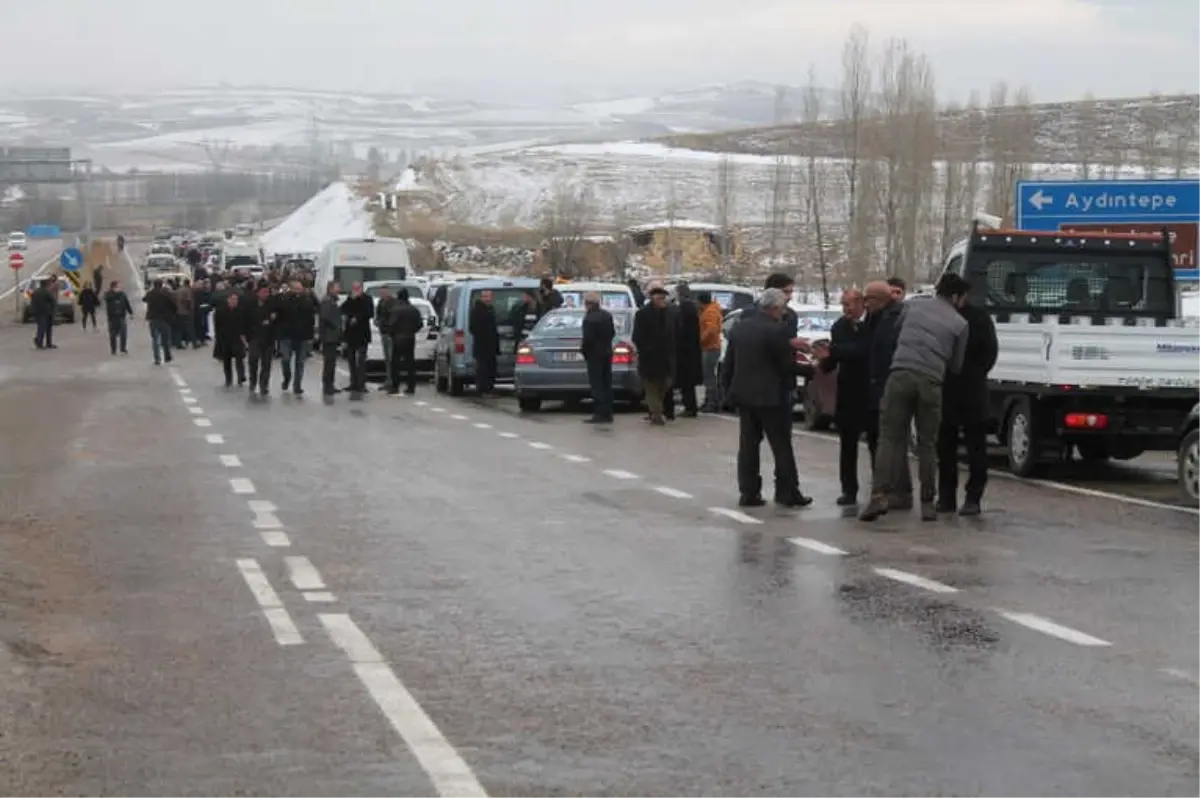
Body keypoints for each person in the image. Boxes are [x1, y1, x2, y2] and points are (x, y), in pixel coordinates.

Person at [861, 274, 971, 523]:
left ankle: (878, 495)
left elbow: (897, 332)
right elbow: (956, 366)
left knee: (888, 437)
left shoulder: (912, 305)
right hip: (931, 381)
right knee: (927, 444)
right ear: (956, 296)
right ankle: (927, 503)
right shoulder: (960, 324)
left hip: (899, 374)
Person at [721, 288, 809, 508]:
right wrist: (813, 370)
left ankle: (749, 492)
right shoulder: (776, 330)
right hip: (772, 397)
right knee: (781, 446)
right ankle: (787, 492)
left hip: (745, 396)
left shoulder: (740, 328)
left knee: (748, 446)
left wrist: (727, 392)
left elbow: (729, 364)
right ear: (776, 308)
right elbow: (786, 365)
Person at [936, 278, 998, 516]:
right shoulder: (943, 317)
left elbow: (989, 353)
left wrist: (973, 373)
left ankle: (973, 497)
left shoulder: (978, 318)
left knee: (975, 448)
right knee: (945, 448)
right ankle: (947, 497)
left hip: (970, 389)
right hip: (948, 388)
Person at [817, 288, 872, 506]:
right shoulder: (839, 326)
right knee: (847, 444)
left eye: (849, 304)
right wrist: (823, 360)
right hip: (848, 390)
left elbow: (863, 350)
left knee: (876, 441)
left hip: (870, 388)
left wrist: (836, 353)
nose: (846, 309)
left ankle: (880, 489)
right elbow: (834, 358)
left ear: (861, 304)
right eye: (843, 305)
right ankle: (848, 489)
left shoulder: (872, 324)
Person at [862, 280, 911, 508]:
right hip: (874, 385)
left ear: (879, 299)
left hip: (889, 384)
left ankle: (898, 491)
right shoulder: (875, 317)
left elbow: (890, 351)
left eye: (868, 299)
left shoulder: (896, 318)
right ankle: (885, 489)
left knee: (892, 440)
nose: (865, 304)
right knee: (880, 440)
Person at [631, 284, 675, 425]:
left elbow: (675, 333)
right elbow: (636, 336)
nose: (662, 301)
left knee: (665, 385)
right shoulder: (643, 314)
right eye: (659, 298)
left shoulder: (669, 313)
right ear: (652, 299)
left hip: (666, 358)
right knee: (651, 387)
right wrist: (646, 349)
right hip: (649, 358)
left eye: (663, 298)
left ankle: (656, 410)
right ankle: (656, 414)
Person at [580, 292, 615, 424]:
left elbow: (587, 339)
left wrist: (584, 351)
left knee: (597, 384)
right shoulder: (607, 315)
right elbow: (612, 333)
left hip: (594, 354)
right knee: (607, 382)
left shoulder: (589, 318)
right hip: (606, 352)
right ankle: (608, 412)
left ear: (588, 304)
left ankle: (600, 412)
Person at [278, 279, 317, 396]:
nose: (299, 291)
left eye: (301, 289)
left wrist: (311, 335)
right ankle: (287, 377)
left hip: (302, 336)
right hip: (287, 335)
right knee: (285, 359)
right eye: (297, 289)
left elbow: (311, 318)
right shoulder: (285, 299)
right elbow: (280, 314)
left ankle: (297, 386)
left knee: (300, 363)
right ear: (291, 289)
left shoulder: (307, 300)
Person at [671, 282, 703, 418]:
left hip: (685, 351)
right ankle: (690, 406)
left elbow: (681, 330)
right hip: (692, 349)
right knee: (688, 382)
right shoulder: (693, 307)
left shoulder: (685, 309)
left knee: (686, 381)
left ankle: (690, 407)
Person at [244, 281, 279, 396]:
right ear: (258, 293)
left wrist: (270, 320)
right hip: (254, 337)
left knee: (266, 363)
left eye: (267, 292)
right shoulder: (250, 303)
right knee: (253, 360)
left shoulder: (272, 303)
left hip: (268, 338)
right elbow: (246, 320)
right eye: (263, 292)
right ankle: (253, 381)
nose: (266, 294)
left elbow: (275, 317)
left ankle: (264, 385)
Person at [386, 288, 423, 395]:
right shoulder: (413, 309)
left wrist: (392, 333)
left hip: (398, 338)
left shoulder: (395, 309)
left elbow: (391, 324)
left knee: (396, 363)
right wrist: (412, 331)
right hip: (410, 337)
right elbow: (419, 324)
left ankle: (395, 386)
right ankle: (411, 386)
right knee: (410, 362)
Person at [340, 281, 374, 396]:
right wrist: (351, 299)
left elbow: (369, 313)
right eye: (354, 288)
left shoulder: (367, 299)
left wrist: (357, 318)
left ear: (361, 288)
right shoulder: (350, 299)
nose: (356, 290)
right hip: (351, 335)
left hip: (362, 334)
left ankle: (361, 384)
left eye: (358, 288)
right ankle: (353, 383)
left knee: (361, 360)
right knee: (351, 360)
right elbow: (342, 309)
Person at [212, 292, 247, 387]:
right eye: (232, 299)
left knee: (240, 358)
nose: (234, 301)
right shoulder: (220, 311)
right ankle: (228, 379)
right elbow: (217, 326)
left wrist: (244, 337)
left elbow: (244, 324)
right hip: (225, 338)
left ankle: (241, 377)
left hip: (237, 337)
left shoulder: (241, 310)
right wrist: (218, 338)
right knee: (227, 360)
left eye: (236, 300)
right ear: (228, 300)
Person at [469, 289, 500, 395]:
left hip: (491, 344)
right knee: (483, 368)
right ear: (481, 297)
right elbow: (472, 327)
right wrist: (483, 335)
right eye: (485, 297)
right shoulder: (477, 310)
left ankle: (489, 388)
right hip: (482, 345)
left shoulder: (490, 309)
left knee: (491, 368)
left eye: (489, 297)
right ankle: (482, 389)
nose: (487, 299)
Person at [697, 291, 724, 412]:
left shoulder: (710, 312)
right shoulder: (711, 310)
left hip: (710, 347)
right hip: (711, 347)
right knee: (709, 376)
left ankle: (711, 402)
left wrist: (701, 340)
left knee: (709, 377)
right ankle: (710, 401)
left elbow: (711, 330)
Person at [318, 282, 343, 397]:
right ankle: (327, 385)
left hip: (332, 336)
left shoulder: (332, 301)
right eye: (337, 287)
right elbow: (325, 317)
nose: (339, 289)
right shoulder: (328, 301)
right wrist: (335, 326)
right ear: (331, 289)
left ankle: (330, 384)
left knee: (331, 362)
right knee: (329, 362)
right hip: (329, 336)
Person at [143, 279, 177, 364]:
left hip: (153, 318)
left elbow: (144, 299)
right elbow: (173, 304)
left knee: (155, 339)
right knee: (165, 339)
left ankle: (157, 358)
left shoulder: (151, 293)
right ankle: (167, 356)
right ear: (161, 285)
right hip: (164, 318)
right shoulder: (166, 294)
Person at [103, 280, 134, 356]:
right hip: (112, 317)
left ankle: (123, 349)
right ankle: (113, 349)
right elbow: (107, 298)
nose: (121, 288)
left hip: (121, 316)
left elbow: (127, 303)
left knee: (123, 333)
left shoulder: (123, 295)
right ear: (114, 287)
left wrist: (131, 313)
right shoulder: (108, 295)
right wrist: (114, 292)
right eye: (119, 287)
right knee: (113, 334)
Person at [375, 287, 397, 390]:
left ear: (388, 292)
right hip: (383, 332)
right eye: (381, 292)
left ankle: (392, 380)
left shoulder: (392, 302)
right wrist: (378, 322)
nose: (382, 294)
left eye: (384, 292)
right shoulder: (380, 302)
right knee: (387, 358)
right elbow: (378, 315)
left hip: (390, 333)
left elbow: (393, 316)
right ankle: (388, 379)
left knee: (391, 357)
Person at [31, 278, 58, 350]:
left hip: (38, 312)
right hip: (46, 312)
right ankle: (42, 343)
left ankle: (41, 342)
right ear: (46, 285)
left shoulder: (35, 292)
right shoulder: (47, 292)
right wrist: (53, 311)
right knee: (46, 328)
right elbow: (53, 301)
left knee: (41, 327)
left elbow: (32, 302)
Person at [174, 279, 195, 349]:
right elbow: (188, 300)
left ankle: (178, 343)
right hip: (186, 312)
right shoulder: (188, 290)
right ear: (188, 284)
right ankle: (194, 343)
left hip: (178, 311)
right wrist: (189, 309)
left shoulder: (178, 290)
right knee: (190, 328)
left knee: (179, 329)